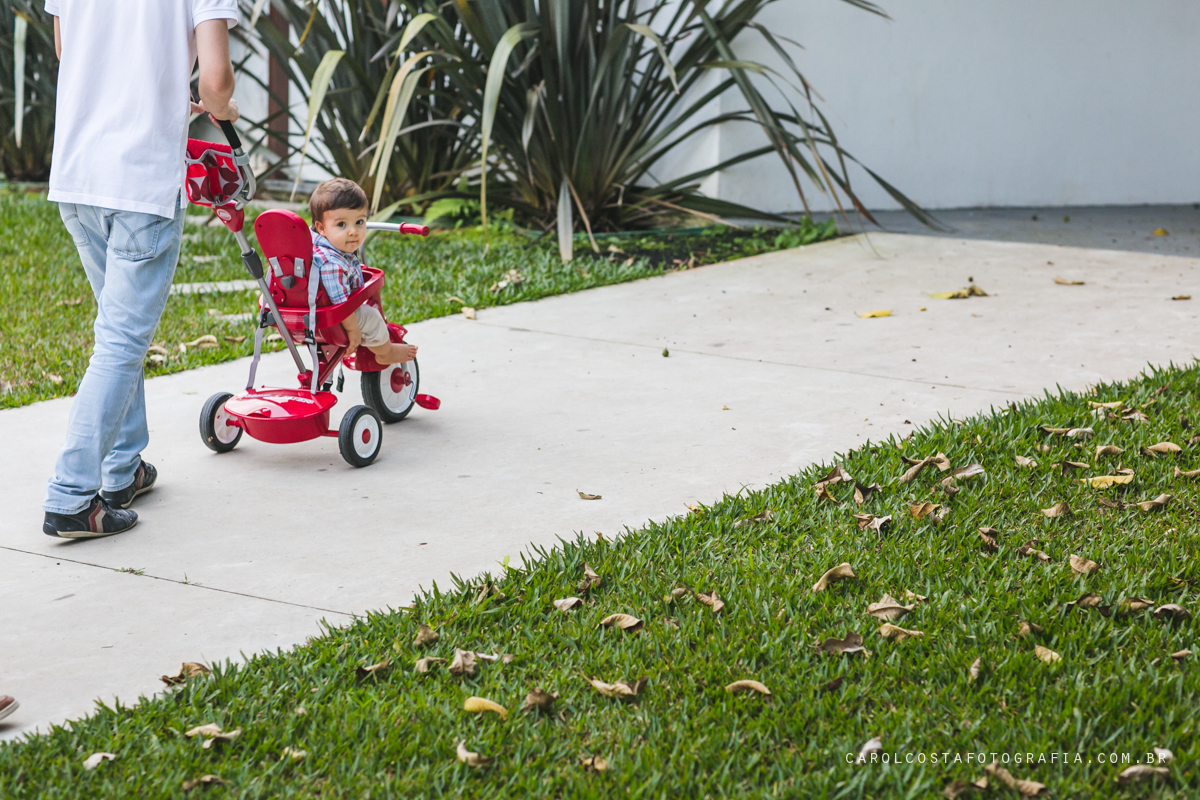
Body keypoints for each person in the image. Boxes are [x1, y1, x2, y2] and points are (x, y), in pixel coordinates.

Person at [41, 1, 240, 538]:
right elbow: (217, 77)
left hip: (78, 175)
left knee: (116, 329)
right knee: (121, 341)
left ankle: (122, 468)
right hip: (141, 181)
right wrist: (221, 106)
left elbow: (67, 49)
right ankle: (70, 496)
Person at [309, 179, 419, 365]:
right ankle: (386, 352)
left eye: (359, 221)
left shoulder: (323, 248)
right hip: (330, 317)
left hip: (316, 312)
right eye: (342, 224)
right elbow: (341, 307)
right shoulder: (331, 264)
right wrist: (353, 331)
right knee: (371, 317)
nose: (353, 232)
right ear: (322, 228)